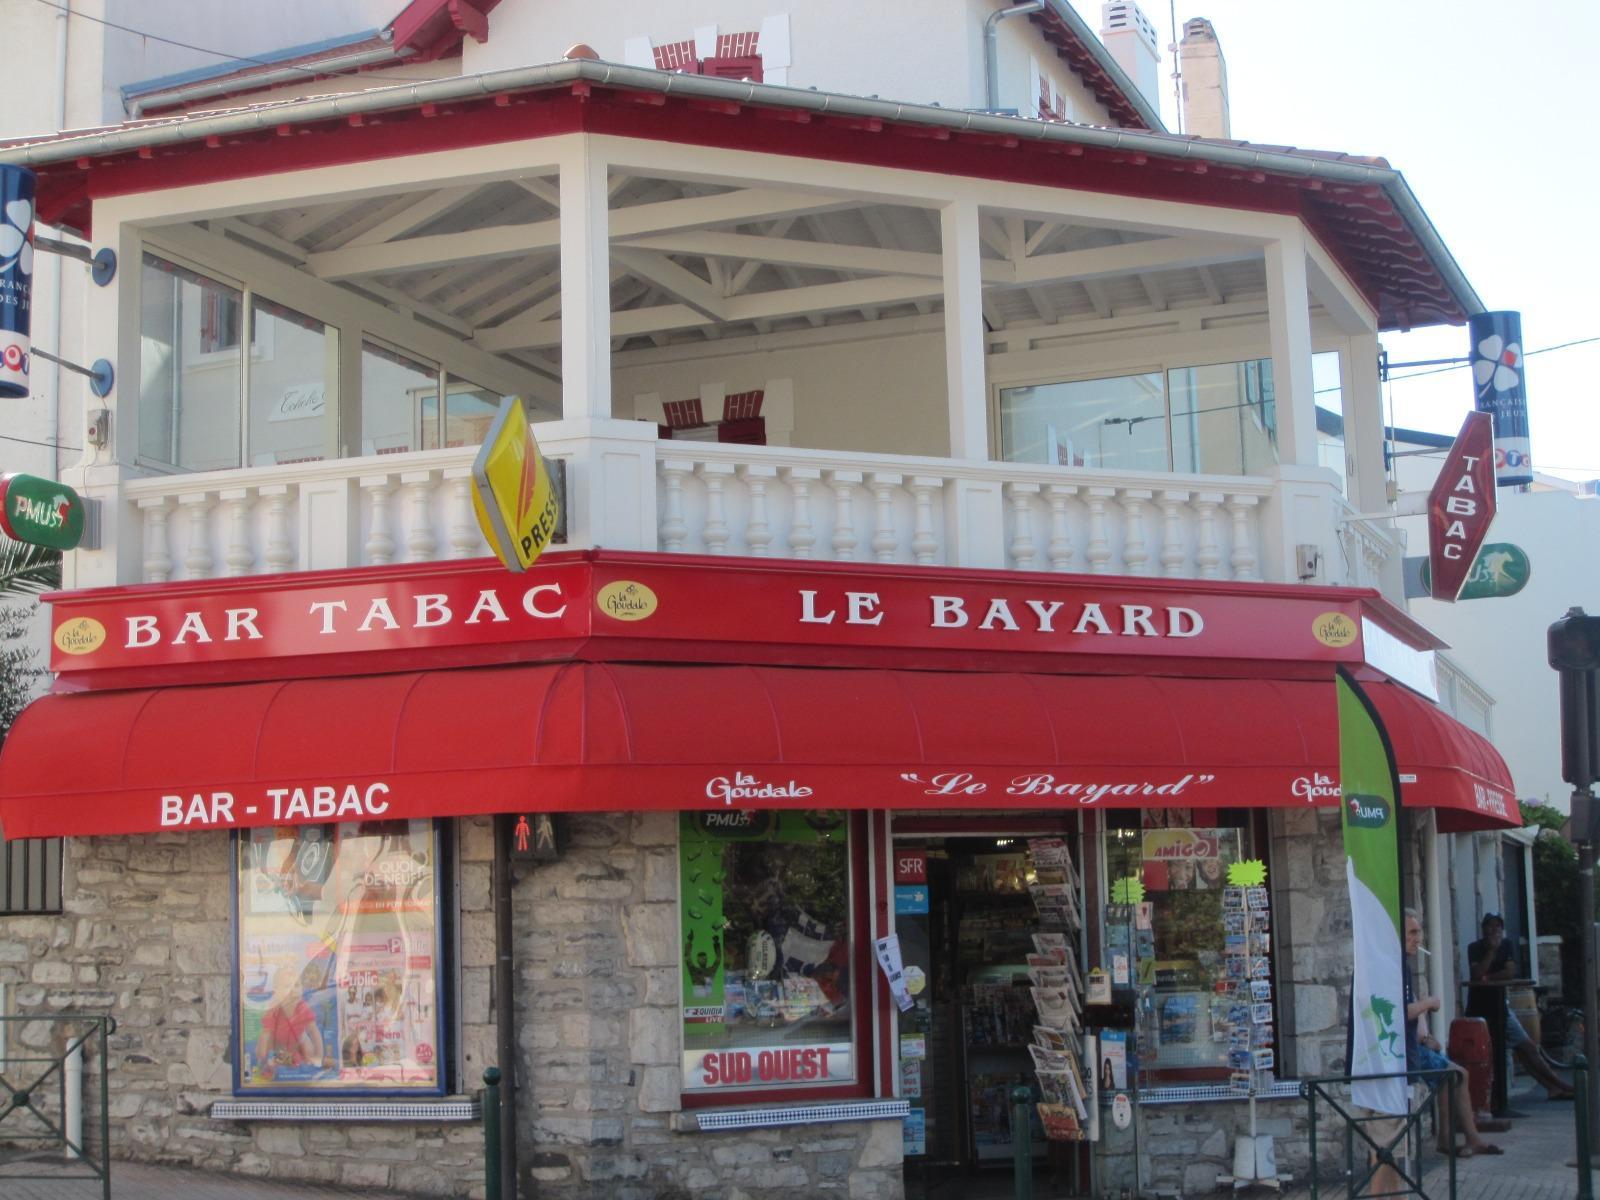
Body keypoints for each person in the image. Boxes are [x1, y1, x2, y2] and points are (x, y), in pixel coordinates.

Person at [1404, 911, 1502, 1157]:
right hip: (1406, 1048)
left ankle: (1451, 1139)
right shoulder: (1395, 967)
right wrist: (1430, 1003)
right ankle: (1463, 1139)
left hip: (1417, 1043)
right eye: (1412, 933)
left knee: (1453, 1076)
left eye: (1419, 932)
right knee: (1456, 1075)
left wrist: (1426, 1037)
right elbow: (1402, 1012)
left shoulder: (1402, 966)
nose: (1418, 939)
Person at [1467, 913, 1573, 1100]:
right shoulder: (1475, 948)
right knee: (1521, 1050)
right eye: (1490, 926)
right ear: (1483, 929)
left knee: (1527, 1048)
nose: (1494, 930)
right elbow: (1476, 974)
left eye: (1498, 927)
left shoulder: (1506, 944)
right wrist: (1491, 952)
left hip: (1501, 1008)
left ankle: (1555, 1086)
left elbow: (1510, 971)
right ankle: (1558, 1085)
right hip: (1481, 1010)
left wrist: (1489, 977)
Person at [254, 964, 328, 1078]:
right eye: (287, 986)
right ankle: (271, 1063)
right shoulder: (274, 1009)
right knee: (269, 1045)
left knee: (305, 1039)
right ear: (277, 991)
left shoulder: (302, 1007)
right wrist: (262, 1057)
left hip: (296, 1042)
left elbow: (314, 1031)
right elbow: (265, 1034)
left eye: (296, 985)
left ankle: (306, 1061)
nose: (293, 990)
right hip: (277, 1044)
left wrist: (318, 1056)